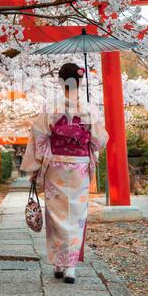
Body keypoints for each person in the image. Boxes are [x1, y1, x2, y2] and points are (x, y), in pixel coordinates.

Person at [21, 63, 108, 283]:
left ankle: (59, 264)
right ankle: (70, 268)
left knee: (56, 215)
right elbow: (99, 141)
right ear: (80, 82)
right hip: (78, 166)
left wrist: (36, 166)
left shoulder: (52, 107)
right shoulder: (89, 108)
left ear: (61, 82)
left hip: (56, 166)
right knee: (76, 215)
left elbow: (39, 135)